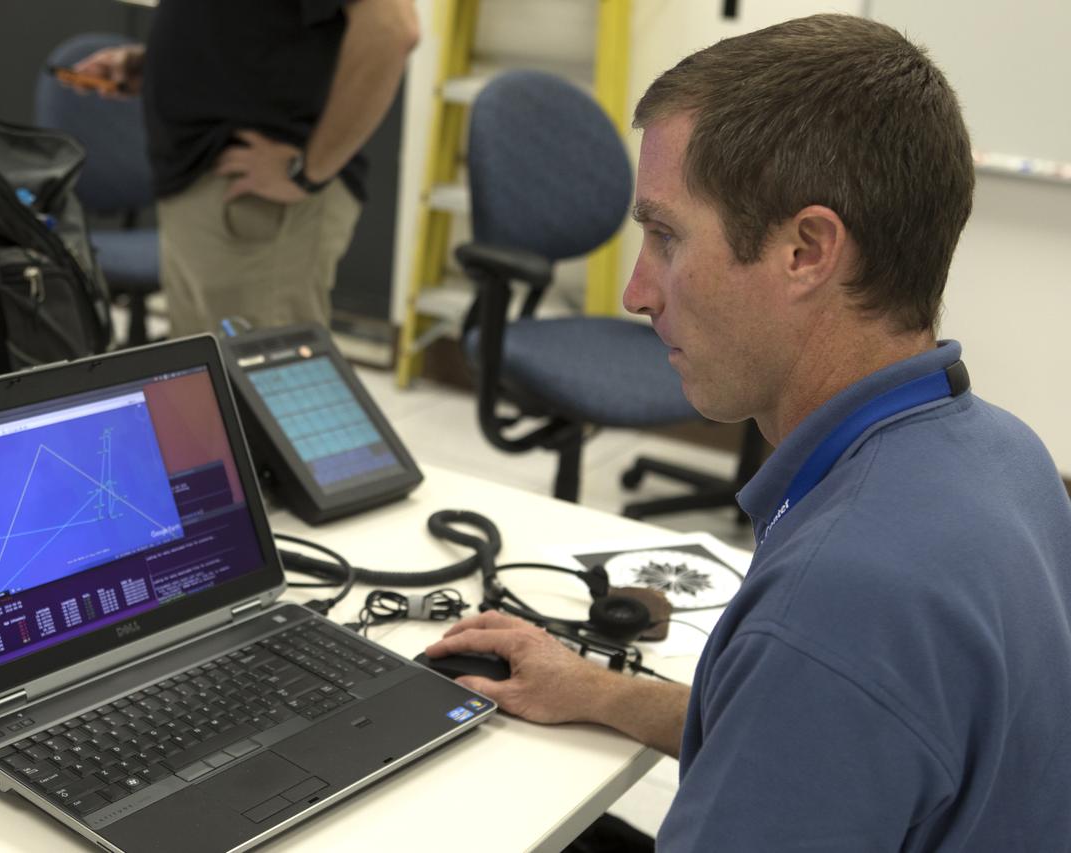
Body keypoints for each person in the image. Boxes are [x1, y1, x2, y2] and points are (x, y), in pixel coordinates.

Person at [426, 14, 1071, 851]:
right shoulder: (1010, 456)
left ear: (807, 250)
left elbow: (818, 678)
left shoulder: (838, 600)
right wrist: (599, 690)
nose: (636, 292)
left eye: (665, 236)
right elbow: (825, 732)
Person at [72, 0, 419, 335]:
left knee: (262, 381)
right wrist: (158, 64)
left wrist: (306, 171)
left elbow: (391, 29)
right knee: (206, 378)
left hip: (256, 204)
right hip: (202, 191)